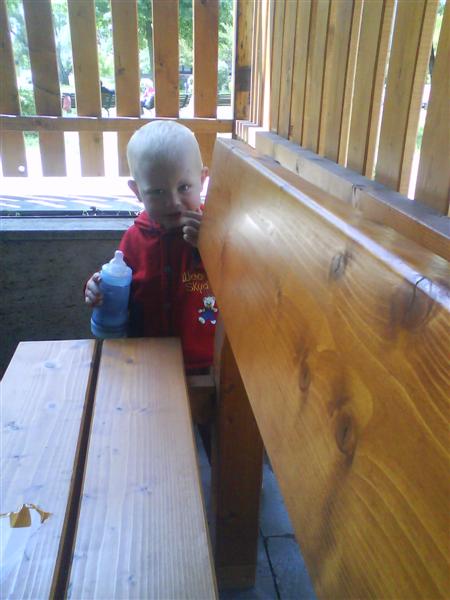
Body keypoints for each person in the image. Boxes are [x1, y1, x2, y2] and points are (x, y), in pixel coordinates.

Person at [84, 121, 216, 374]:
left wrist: (209, 246)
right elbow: (119, 277)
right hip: (142, 359)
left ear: (202, 180)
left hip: (202, 364)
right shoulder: (135, 237)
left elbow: (238, 284)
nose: (173, 202)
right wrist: (97, 287)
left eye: (184, 187)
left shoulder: (216, 231)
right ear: (137, 191)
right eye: (157, 191)